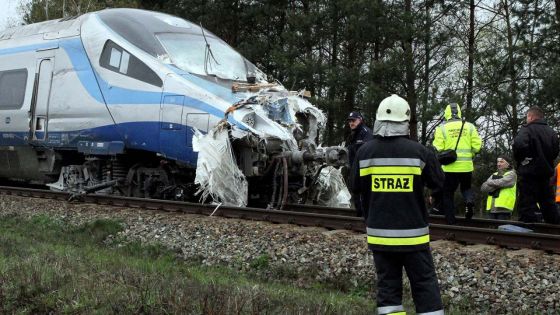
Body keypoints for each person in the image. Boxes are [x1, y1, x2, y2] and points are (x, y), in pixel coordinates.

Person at [352, 94, 445, 315]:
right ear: (406, 121)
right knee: (424, 284)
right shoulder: (419, 152)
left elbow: (355, 187)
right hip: (413, 236)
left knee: (388, 289)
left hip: (380, 235)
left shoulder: (364, 152)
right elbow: (439, 182)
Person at [433, 103, 481, 224]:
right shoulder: (469, 126)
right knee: (466, 188)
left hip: (449, 168)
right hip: (466, 166)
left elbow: (439, 147)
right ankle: (469, 202)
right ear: (459, 112)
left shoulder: (442, 128)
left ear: (447, 113)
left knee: (448, 194)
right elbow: (477, 146)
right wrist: (471, 154)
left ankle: (451, 221)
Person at [512, 106, 559, 224]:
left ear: (531, 116)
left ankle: (527, 228)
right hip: (545, 172)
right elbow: (555, 151)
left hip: (529, 171)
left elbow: (519, 145)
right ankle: (554, 227)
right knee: (548, 202)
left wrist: (523, 160)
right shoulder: (551, 132)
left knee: (527, 201)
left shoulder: (527, 129)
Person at [346, 111, 374, 217]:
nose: (351, 123)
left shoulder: (366, 133)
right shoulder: (353, 134)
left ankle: (365, 218)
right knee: (356, 192)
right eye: (350, 121)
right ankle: (360, 217)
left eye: (353, 120)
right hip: (355, 168)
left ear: (360, 120)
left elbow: (368, 151)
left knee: (364, 195)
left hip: (365, 170)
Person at [480, 156, 517, 220]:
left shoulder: (512, 174)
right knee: (490, 229)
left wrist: (489, 182)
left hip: (504, 208)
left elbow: (501, 183)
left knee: (502, 229)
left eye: (501, 162)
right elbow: (483, 188)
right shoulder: (494, 174)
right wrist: (497, 184)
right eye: (498, 162)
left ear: (508, 163)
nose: (498, 164)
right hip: (491, 208)